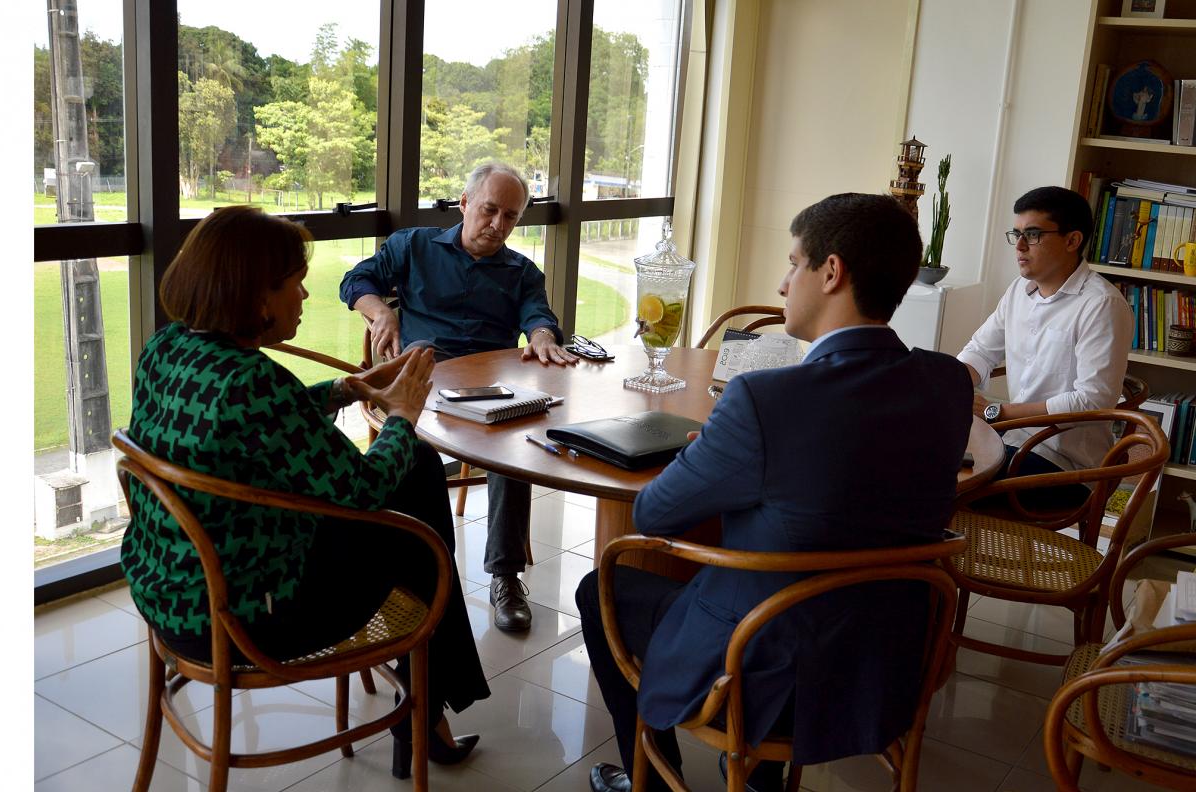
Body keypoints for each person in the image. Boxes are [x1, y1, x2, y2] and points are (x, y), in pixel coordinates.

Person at [575, 193, 974, 792]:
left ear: (831, 272)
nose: (784, 284)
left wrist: (709, 448)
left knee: (598, 585)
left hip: (772, 671)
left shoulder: (763, 400)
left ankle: (650, 785)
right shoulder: (948, 385)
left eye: (794, 264)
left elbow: (655, 512)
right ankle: (761, 780)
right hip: (890, 661)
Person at [119, 206, 490, 779]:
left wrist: (348, 388)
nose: (306, 295)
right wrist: (403, 415)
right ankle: (424, 710)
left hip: (171, 594)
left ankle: (430, 707)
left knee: (412, 477)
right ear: (258, 296)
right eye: (296, 282)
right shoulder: (252, 383)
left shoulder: (166, 349)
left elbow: (256, 423)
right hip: (250, 619)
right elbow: (364, 488)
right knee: (416, 497)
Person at [339, 161, 578, 632]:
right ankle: (405, 574)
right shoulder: (414, 246)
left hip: (490, 390)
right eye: (489, 210)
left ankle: (505, 576)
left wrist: (544, 335)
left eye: (510, 217)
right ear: (465, 203)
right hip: (422, 382)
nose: (497, 225)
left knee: (517, 451)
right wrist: (380, 315)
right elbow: (356, 282)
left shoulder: (521, 271)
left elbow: (537, 314)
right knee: (411, 455)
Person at [959, 186, 1134, 511]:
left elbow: (1093, 400)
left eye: (1034, 235)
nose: (1020, 247)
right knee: (915, 459)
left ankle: (939, 559)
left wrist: (998, 412)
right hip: (1011, 442)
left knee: (935, 488)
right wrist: (949, 387)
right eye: (1017, 234)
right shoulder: (1019, 291)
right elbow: (980, 351)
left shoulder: (1101, 304)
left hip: (1064, 467)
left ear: (1072, 240)